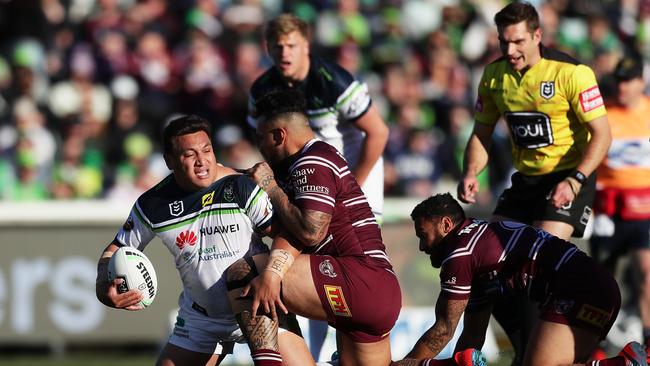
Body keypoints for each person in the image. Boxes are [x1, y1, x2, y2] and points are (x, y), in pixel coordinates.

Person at [456, 3, 612, 363]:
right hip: (525, 182)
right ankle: (521, 348)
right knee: (482, 261)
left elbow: (602, 136)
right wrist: (470, 172)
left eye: (518, 41)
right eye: (503, 42)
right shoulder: (494, 77)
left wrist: (574, 180)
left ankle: (565, 347)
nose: (510, 50)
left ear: (537, 36)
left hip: (570, 177)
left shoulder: (572, 73)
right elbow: (481, 134)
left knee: (534, 263)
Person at [94, 115, 314, 366]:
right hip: (202, 319)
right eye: (189, 154)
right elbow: (118, 248)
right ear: (169, 161)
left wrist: (272, 275)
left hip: (257, 305)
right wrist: (104, 286)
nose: (202, 161)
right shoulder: (152, 205)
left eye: (206, 150)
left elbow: (288, 235)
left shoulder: (241, 187)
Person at [246, 13, 390, 360]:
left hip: (351, 176)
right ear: (268, 48)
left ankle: (338, 347)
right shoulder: (262, 89)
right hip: (305, 180)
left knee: (349, 262)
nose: (284, 53)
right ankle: (315, 352)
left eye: (291, 45)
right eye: (277, 46)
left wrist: (349, 185)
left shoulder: (332, 80)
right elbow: (269, 142)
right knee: (311, 261)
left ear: (306, 46)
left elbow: (378, 132)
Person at [225, 88, 400, 366]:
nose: (258, 146)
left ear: (279, 135)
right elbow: (292, 228)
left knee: (243, 273)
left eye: (260, 138)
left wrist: (270, 186)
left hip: (358, 280)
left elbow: (310, 231)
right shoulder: (311, 161)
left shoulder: (311, 162)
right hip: (379, 291)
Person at [397, 192, 646, 366]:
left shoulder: (461, 254)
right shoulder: (478, 244)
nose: (421, 247)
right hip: (598, 285)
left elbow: (443, 331)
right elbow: (472, 336)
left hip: (577, 288)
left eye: (423, 235)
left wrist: (404, 364)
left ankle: (623, 364)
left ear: (446, 225)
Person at [589, 55, 650, 356]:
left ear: (641, 82)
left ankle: (649, 343)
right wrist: (597, 208)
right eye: (620, 81)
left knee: (646, 272)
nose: (623, 88)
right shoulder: (605, 115)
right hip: (609, 210)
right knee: (601, 281)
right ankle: (595, 346)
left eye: (629, 81)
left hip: (644, 211)